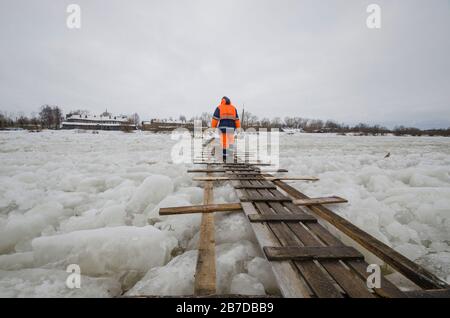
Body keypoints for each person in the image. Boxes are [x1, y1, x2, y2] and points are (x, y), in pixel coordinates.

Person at [211, 96, 241, 162]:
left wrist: (213, 127)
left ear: (222, 101)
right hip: (231, 129)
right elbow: (237, 119)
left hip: (222, 128)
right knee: (230, 143)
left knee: (224, 143)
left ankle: (224, 157)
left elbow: (215, 119)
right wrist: (238, 128)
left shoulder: (219, 107)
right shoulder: (233, 108)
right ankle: (229, 156)